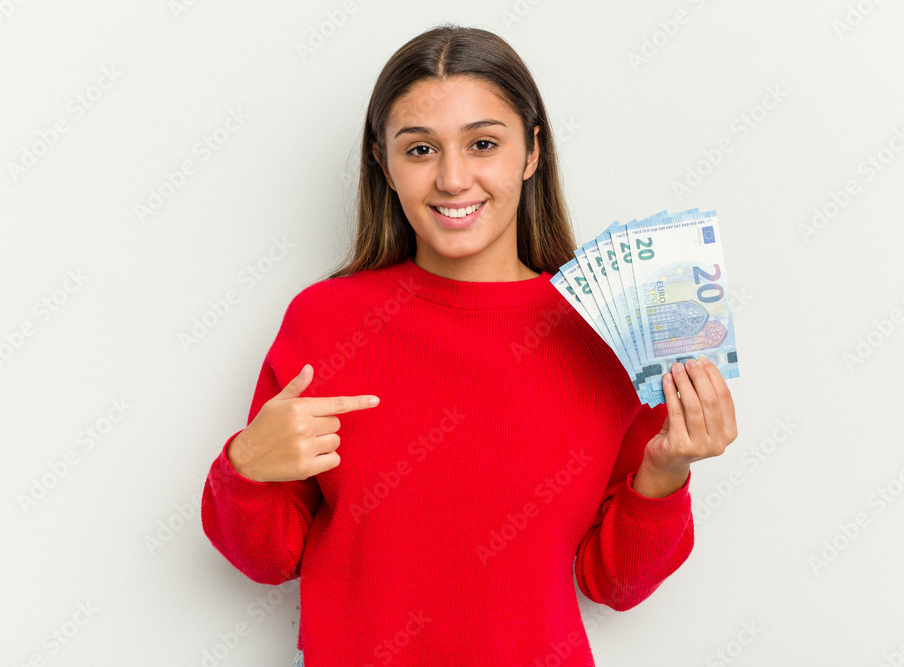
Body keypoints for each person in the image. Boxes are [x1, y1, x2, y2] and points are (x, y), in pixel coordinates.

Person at [201, 23, 737, 667]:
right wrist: (245, 470)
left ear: (532, 152)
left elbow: (613, 584)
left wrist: (665, 474)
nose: (453, 179)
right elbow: (269, 560)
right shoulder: (326, 322)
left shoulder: (608, 332)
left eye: (483, 143)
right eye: (420, 149)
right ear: (383, 162)